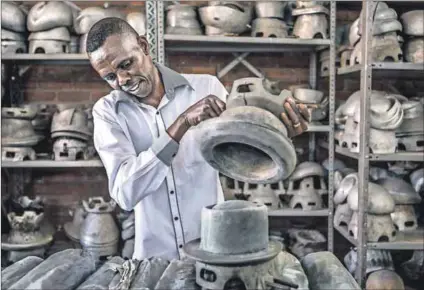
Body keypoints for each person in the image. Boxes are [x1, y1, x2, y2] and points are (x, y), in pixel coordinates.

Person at [86, 17, 310, 261]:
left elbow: (245, 147)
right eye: (109, 77)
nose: (122, 80)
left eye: (126, 64)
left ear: (143, 46)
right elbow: (125, 194)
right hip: (155, 260)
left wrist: (283, 129)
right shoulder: (108, 112)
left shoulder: (207, 89)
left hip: (213, 251)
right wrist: (181, 123)